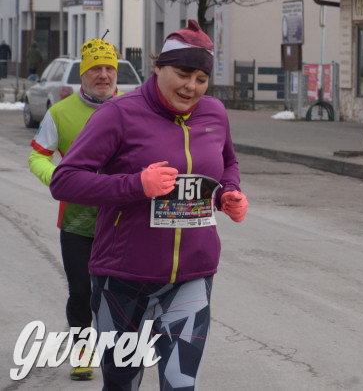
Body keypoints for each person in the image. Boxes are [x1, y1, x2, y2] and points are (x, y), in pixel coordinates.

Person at [50, 20, 249, 391]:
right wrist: (136, 184)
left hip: (192, 274)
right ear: (158, 69)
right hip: (124, 279)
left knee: (180, 384)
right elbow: (65, 179)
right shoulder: (119, 114)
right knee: (122, 385)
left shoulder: (214, 114)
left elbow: (228, 162)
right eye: (183, 73)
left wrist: (228, 194)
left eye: (201, 78)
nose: (191, 86)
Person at [28, 38, 121, 381]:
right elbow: (37, 154)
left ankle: (120, 354)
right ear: (82, 74)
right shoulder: (61, 113)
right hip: (77, 221)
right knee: (82, 291)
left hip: (123, 220)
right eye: (95, 68)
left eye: (109, 68)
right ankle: (82, 354)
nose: (103, 75)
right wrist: (59, 179)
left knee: (119, 293)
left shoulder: (132, 108)